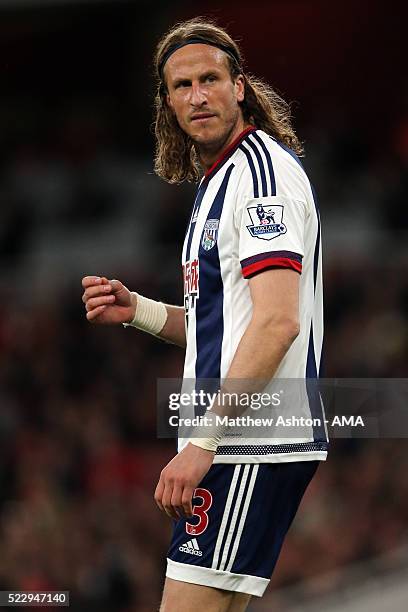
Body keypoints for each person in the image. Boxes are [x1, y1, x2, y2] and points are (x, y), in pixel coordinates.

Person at [81, 17, 328, 612]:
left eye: (211, 79)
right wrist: (137, 310)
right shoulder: (217, 183)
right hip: (244, 438)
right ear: (167, 101)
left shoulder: (259, 177)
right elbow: (229, 330)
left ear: (239, 87)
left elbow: (276, 324)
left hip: (250, 439)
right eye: (181, 85)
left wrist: (203, 445)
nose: (198, 95)